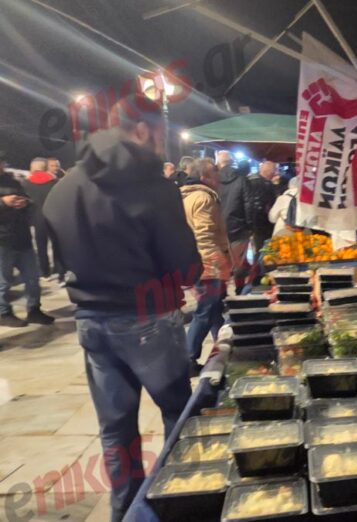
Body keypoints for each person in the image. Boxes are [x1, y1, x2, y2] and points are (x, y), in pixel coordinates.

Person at [43, 93, 201, 522]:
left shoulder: (63, 187)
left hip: (91, 321)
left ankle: (125, 510)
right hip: (147, 319)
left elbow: (58, 259)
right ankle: (180, 501)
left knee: (115, 428)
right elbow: (186, 267)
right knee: (180, 414)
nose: (163, 144)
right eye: (161, 134)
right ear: (143, 130)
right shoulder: (151, 186)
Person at [180, 158, 231, 375]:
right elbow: (204, 236)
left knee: (215, 310)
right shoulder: (204, 197)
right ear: (204, 177)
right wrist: (218, 263)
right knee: (206, 310)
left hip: (196, 260)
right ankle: (188, 359)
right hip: (207, 264)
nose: (218, 178)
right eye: (214, 174)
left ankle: (225, 350)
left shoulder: (186, 195)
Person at [0, 156, 54, 327]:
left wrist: (25, 203)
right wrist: (3, 203)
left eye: (2, 162)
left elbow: (30, 202)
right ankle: (3, 313)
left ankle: (34, 310)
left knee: (32, 279)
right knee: (3, 282)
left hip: (22, 238)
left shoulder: (14, 182)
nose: (2, 165)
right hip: (2, 242)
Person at [217, 152, 253, 293]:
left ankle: (222, 293)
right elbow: (248, 204)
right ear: (232, 162)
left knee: (222, 264)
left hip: (219, 229)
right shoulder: (242, 179)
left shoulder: (214, 179)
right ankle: (239, 289)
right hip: (239, 227)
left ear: (219, 163)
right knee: (239, 263)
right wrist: (249, 225)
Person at [22, 157, 58, 279]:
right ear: (45, 168)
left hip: (36, 218)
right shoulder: (54, 182)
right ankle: (59, 270)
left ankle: (45, 271)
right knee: (56, 244)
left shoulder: (25, 183)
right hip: (53, 218)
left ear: (32, 168)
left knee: (40, 245)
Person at [248, 160, 279, 253]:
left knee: (258, 248)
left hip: (253, 222)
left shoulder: (249, 180)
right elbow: (269, 202)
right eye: (274, 171)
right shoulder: (266, 184)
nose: (275, 174)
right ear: (269, 172)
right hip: (263, 222)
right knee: (264, 248)